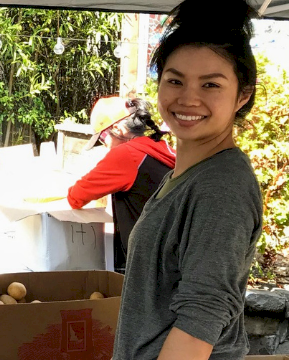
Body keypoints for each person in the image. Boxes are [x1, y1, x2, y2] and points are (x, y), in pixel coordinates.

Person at [113, 0, 263, 358]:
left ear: (242, 95)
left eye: (210, 84)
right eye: (175, 80)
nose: (188, 98)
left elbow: (200, 320)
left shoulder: (221, 187)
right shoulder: (184, 175)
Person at [67, 97, 176, 274]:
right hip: (171, 258)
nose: (105, 146)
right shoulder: (161, 148)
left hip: (146, 264)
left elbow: (76, 197)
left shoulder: (127, 155)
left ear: (117, 129)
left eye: (102, 139)